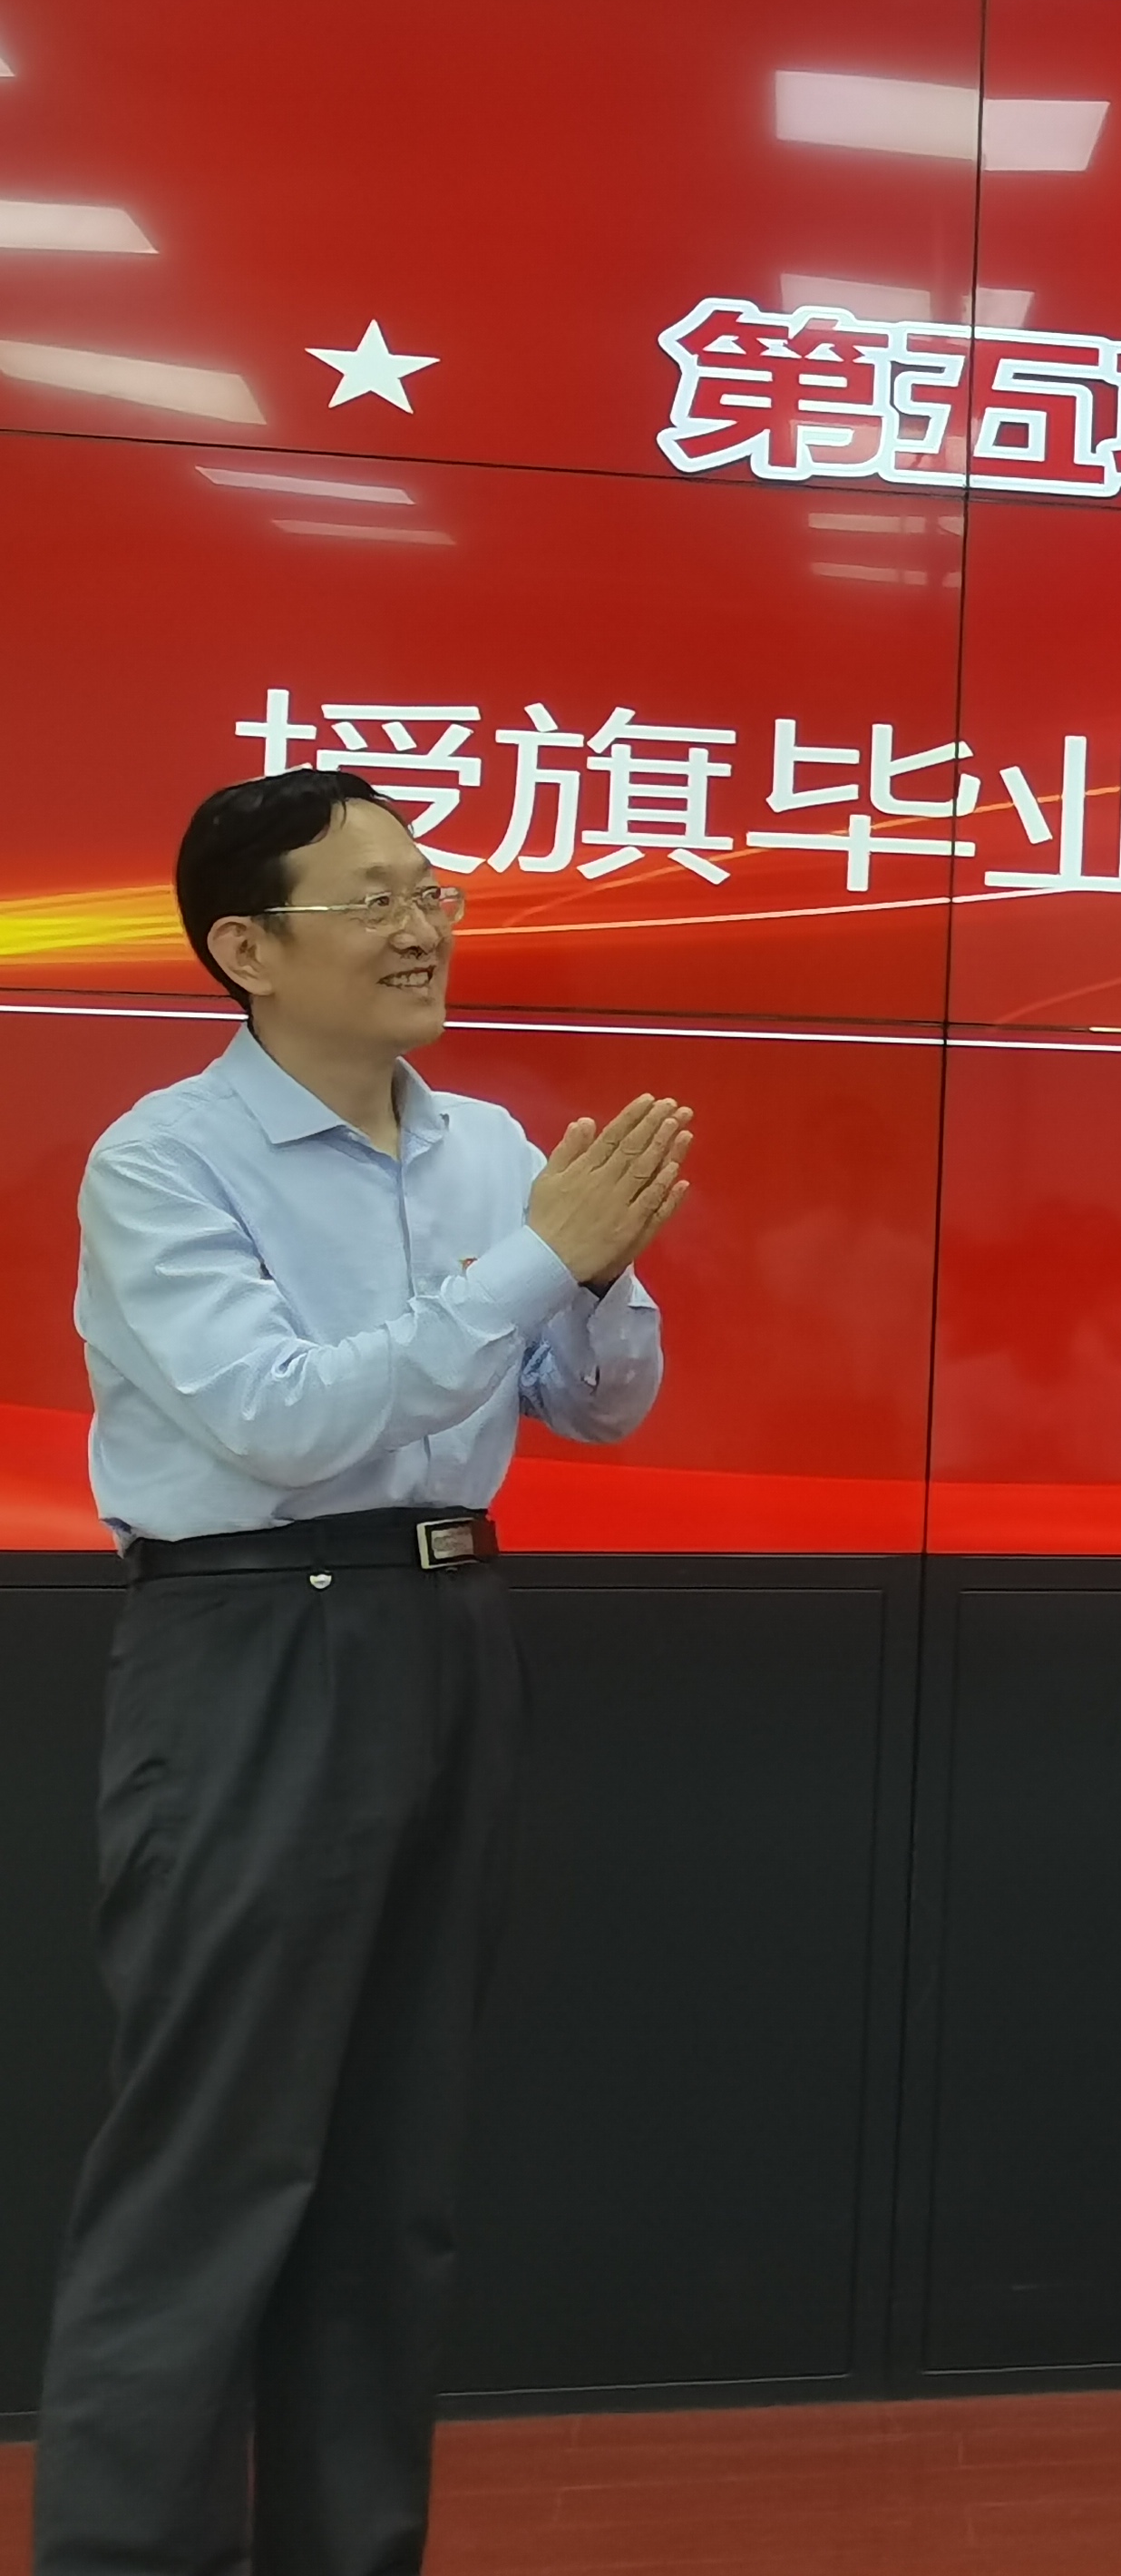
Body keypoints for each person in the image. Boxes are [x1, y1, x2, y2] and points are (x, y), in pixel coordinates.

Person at [32, 769, 692, 2576]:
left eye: (432, 890)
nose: (422, 928)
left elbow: (600, 1408)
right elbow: (278, 1422)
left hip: (446, 1635)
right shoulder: (166, 1159)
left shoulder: (490, 1145)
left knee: (394, 2177)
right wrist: (537, 1259)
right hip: (254, 1639)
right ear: (247, 949)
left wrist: (598, 1279)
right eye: (373, 899)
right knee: (214, 2166)